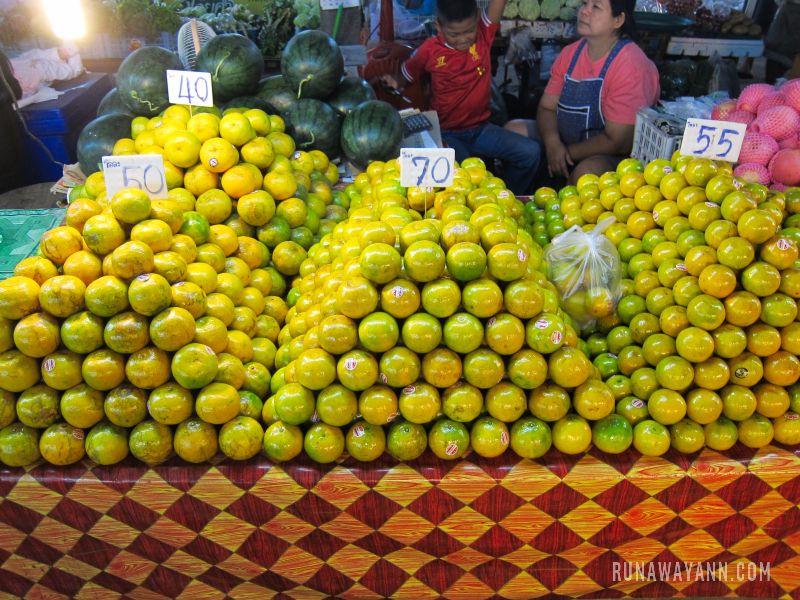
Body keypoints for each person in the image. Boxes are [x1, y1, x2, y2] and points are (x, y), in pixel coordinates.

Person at [381, 0, 541, 196]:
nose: (464, 39)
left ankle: (508, 196)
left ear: (477, 23)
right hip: (447, 134)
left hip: (481, 129)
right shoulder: (429, 50)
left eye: (469, 31)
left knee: (530, 152)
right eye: (454, 34)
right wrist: (393, 82)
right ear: (439, 27)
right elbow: (404, 77)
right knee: (462, 179)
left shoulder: (484, 35)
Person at [506, 0, 659, 184]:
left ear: (618, 20)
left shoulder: (631, 65)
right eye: (585, 3)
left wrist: (566, 153)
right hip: (564, 141)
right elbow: (546, 108)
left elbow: (618, 141)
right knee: (512, 131)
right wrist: (553, 144)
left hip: (610, 155)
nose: (584, 11)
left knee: (586, 173)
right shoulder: (570, 54)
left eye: (596, 7)